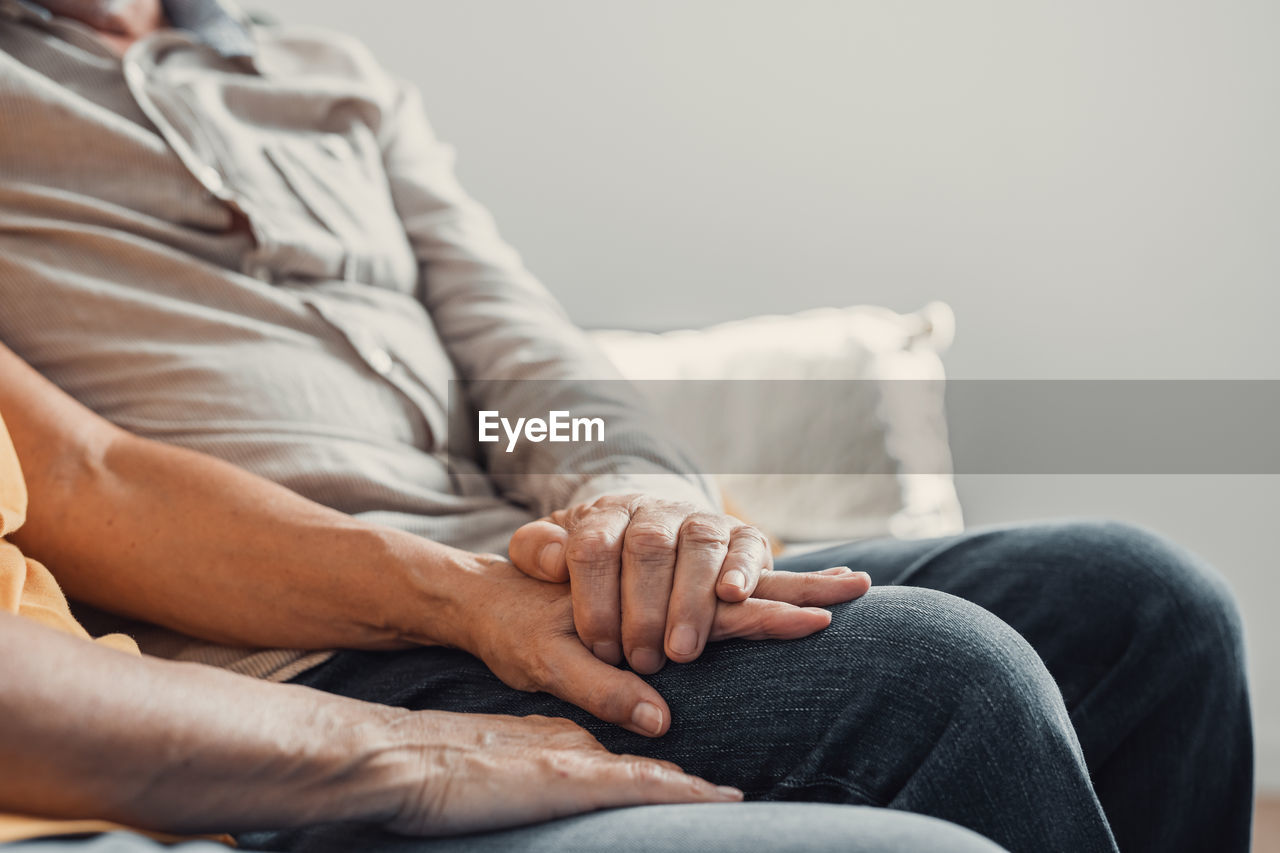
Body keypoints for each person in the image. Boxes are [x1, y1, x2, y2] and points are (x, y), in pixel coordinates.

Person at [0, 2, 1253, 852]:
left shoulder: (325, 78)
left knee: (1141, 601)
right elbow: (77, 477)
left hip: (510, 566)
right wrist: (457, 593)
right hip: (293, 637)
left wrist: (622, 497)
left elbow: (513, 364)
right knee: (939, 673)